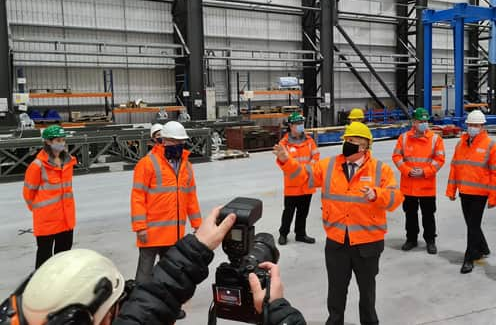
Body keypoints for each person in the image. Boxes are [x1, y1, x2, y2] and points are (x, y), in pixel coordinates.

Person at [1, 207, 306, 325]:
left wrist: (197, 246)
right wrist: (275, 309)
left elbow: (147, 307)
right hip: (153, 232)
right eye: (117, 307)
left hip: (173, 233)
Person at [274, 122, 403, 325]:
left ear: (365, 146)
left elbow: (396, 198)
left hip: (367, 244)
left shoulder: (381, 170)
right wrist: (286, 160)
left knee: (367, 293)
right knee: (336, 292)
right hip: (337, 242)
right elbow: (304, 177)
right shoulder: (329, 165)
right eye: (346, 140)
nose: (347, 144)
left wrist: (377, 194)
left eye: (353, 141)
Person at [130, 121, 202, 318]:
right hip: (151, 233)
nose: (179, 145)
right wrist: (140, 227)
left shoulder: (186, 166)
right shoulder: (147, 164)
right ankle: (138, 311)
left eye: (181, 142)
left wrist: (198, 226)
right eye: (174, 141)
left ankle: (169, 308)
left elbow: (191, 198)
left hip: (174, 234)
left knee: (170, 277)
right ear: (164, 141)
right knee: (144, 276)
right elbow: (137, 197)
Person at [446, 110, 496, 273]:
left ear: (482, 126)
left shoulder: (491, 146)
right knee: (471, 224)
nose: (472, 128)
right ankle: (483, 248)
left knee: (472, 225)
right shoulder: (461, 144)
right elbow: (455, 167)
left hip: (480, 193)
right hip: (465, 191)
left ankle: (469, 257)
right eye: (470, 125)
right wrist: (451, 189)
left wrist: (493, 198)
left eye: (476, 125)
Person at [22, 124, 78, 269]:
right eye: (58, 140)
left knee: (63, 257)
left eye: (63, 140)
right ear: (48, 142)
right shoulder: (37, 166)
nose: (62, 143)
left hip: (66, 219)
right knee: (44, 259)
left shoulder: (68, 162)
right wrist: (40, 210)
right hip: (47, 220)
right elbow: (28, 194)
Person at [392, 107, 445, 254]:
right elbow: (396, 157)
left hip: (426, 185)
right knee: (410, 214)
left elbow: (439, 159)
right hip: (409, 185)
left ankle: (430, 241)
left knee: (428, 215)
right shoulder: (403, 138)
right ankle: (411, 239)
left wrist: (424, 172)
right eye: (421, 121)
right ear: (414, 122)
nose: (424, 124)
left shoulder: (435, 139)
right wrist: (407, 171)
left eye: (426, 121)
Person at [276, 112, 320, 245]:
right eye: (297, 124)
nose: (301, 126)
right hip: (292, 185)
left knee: (303, 212)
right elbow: (282, 163)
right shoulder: (284, 144)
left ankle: (300, 234)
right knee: (288, 212)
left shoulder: (309, 141)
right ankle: (283, 233)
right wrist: (300, 169)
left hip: (307, 184)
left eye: (302, 123)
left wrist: (307, 170)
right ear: (290, 126)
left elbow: (316, 157)